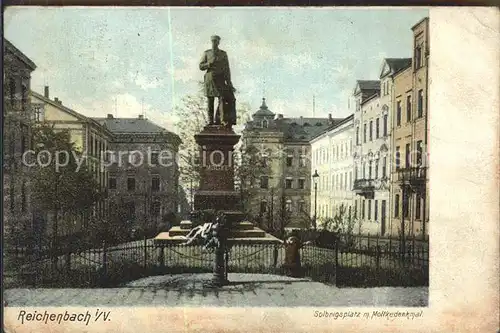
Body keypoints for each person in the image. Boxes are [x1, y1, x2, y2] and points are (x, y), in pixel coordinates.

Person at [199, 35, 236, 126]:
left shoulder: (223, 54)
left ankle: (223, 120)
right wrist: (208, 64)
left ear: (218, 42)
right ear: (211, 42)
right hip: (210, 79)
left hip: (220, 79)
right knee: (210, 100)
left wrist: (229, 83)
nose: (214, 43)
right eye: (213, 41)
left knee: (222, 98)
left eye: (216, 41)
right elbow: (201, 66)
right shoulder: (207, 53)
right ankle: (210, 121)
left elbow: (227, 69)